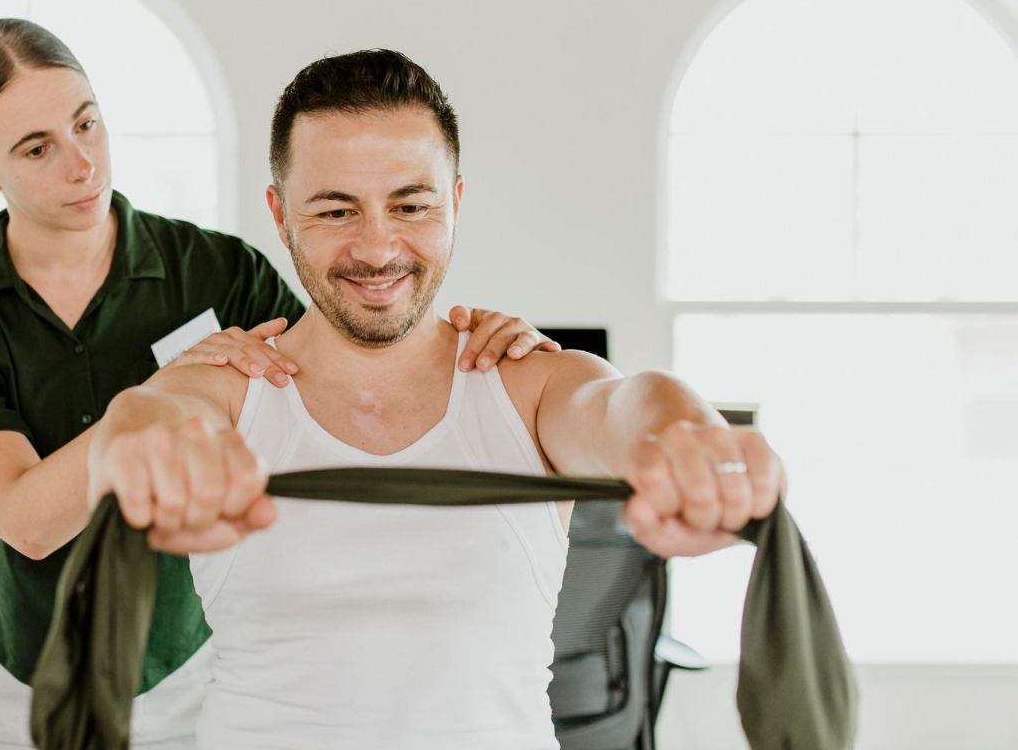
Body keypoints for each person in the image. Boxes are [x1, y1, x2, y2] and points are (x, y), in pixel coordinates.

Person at [0, 20, 558, 750]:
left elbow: (352, 354)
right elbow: (28, 520)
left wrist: (487, 342)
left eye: (88, 124)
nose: (82, 164)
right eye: (36, 149)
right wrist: (167, 390)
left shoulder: (220, 272)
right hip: (19, 681)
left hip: (187, 675)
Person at [87, 49, 787, 750]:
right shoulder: (224, 390)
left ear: (454, 200)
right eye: (336, 210)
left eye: (411, 204)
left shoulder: (527, 383)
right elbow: (149, 419)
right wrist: (144, 443)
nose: (377, 246)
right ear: (279, 213)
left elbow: (623, 404)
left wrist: (686, 435)